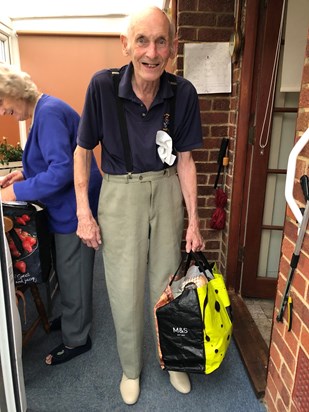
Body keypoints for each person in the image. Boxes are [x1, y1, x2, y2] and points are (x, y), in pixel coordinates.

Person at [74, 6, 205, 405]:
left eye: (161, 41)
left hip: (165, 191)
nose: (151, 51)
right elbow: (82, 151)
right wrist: (84, 211)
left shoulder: (183, 93)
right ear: (126, 44)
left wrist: (194, 222)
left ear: (173, 47)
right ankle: (131, 368)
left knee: (167, 283)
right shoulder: (102, 87)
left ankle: (174, 360)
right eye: (143, 40)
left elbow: (184, 160)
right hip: (119, 192)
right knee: (124, 285)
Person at [0, 63, 102, 365]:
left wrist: (14, 193)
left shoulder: (49, 114)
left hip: (74, 208)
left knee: (75, 273)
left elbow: (61, 172)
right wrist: (22, 174)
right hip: (65, 206)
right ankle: (73, 317)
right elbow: (52, 160)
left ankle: (77, 339)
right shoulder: (44, 112)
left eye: (3, 103)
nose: (3, 112)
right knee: (68, 270)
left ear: (15, 93)